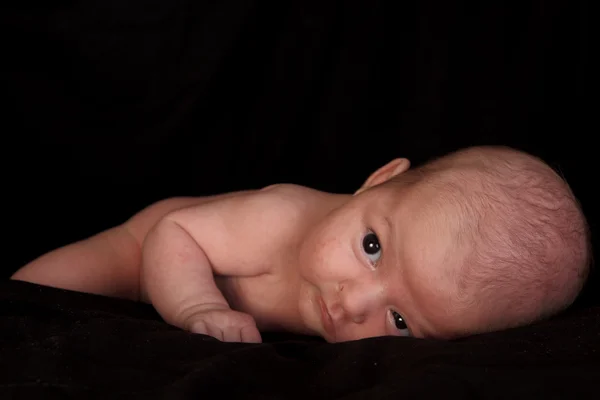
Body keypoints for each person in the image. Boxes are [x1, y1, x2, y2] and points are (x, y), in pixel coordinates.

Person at [11, 146, 591, 344]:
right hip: (141, 258)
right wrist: (198, 308)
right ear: (379, 179)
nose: (352, 303)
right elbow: (175, 233)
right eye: (371, 246)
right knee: (32, 298)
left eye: (401, 320)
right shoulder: (278, 217)